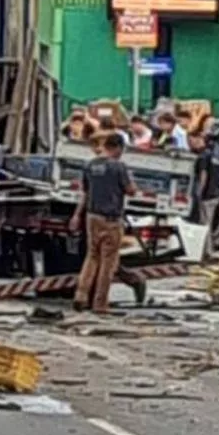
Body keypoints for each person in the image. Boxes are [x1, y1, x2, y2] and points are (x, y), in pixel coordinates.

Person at [70, 133, 138, 314]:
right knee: (108, 263)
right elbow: (131, 191)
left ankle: (81, 295)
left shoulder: (90, 165)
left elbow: (84, 193)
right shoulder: (119, 167)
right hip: (111, 219)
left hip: (91, 216)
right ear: (118, 148)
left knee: (91, 256)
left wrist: (76, 216)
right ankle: (100, 303)